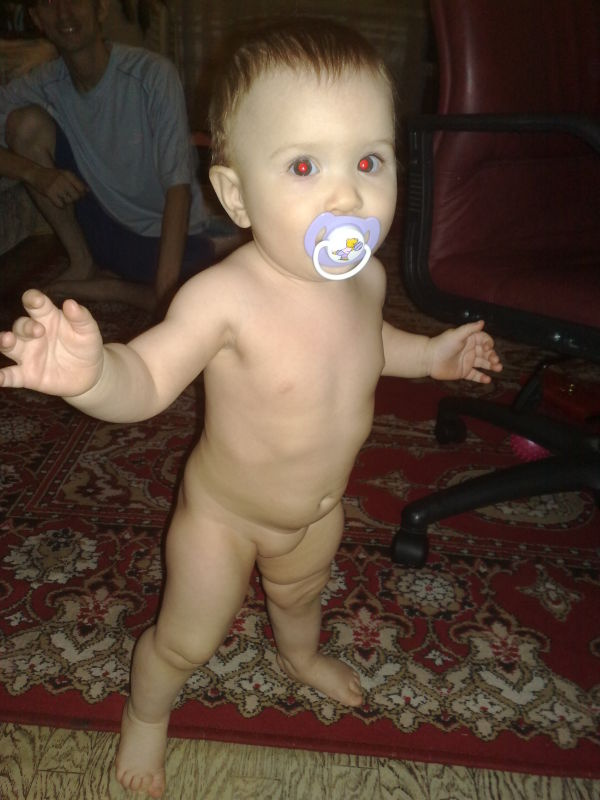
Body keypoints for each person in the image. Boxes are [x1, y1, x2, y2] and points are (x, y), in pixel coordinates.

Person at [0, 19, 503, 798]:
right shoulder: (223, 299)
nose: (348, 195)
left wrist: (431, 354)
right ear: (236, 195)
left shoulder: (365, 279)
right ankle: (146, 711)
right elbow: (148, 377)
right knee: (187, 640)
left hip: (316, 513)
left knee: (300, 598)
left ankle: (298, 656)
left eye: (369, 160)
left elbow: (373, 343)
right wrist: (94, 374)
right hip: (224, 518)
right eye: (304, 165)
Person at [0, 0, 223, 311]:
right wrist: (35, 173)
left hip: (169, 236)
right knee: (24, 125)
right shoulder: (44, 81)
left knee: (199, 292)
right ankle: (83, 263)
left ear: (101, 8)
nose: (64, 12)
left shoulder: (153, 74)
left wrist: (166, 290)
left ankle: (110, 288)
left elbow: (178, 188)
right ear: (37, 18)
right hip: (104, 232)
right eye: (49, 3)